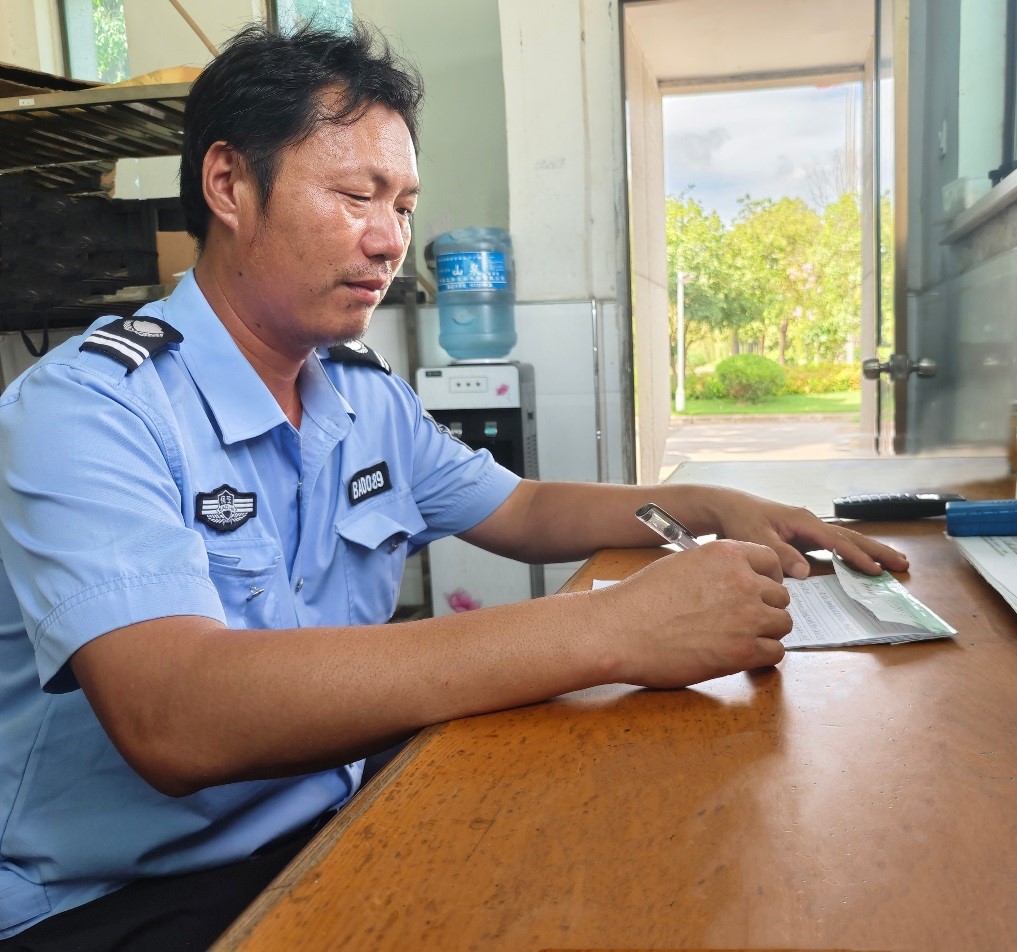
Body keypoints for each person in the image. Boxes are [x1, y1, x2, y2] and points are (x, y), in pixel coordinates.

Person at [0, 22, 907, 952]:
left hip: (326, 813)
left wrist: (709, 504)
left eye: (402, 205)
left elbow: (520, 509)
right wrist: (613, 626)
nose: (390, 240)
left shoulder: (359, 397)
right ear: (229, 184)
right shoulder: (89, 408)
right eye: (356, 195)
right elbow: (175, 717)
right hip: (115, 897)